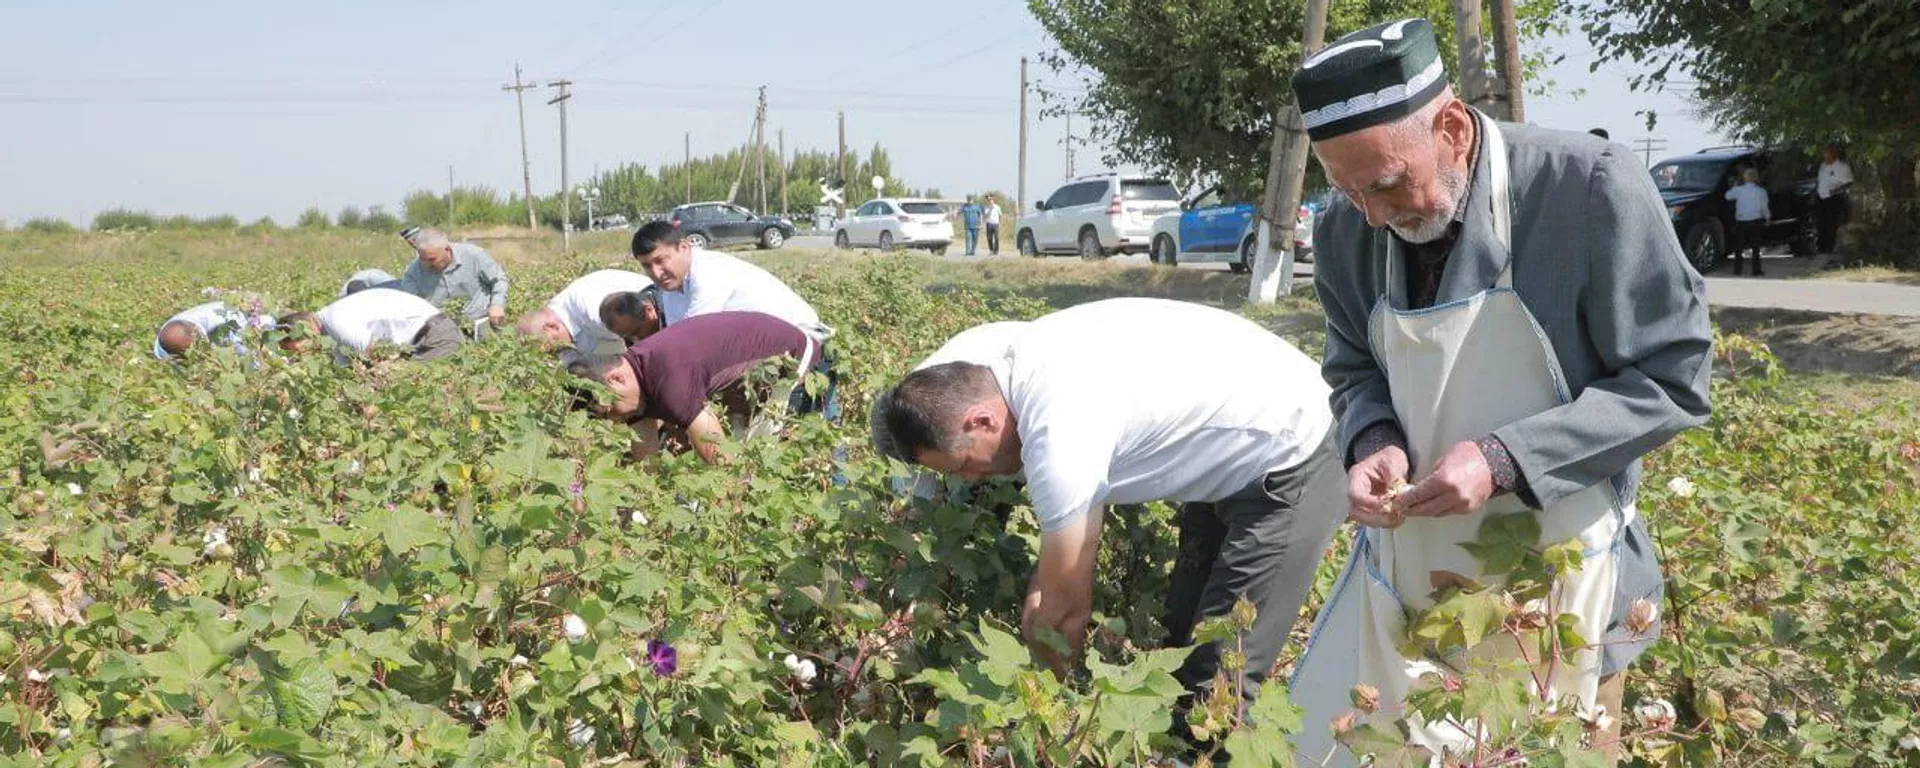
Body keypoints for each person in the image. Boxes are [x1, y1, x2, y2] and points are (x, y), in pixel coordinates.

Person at [1287, 18, 1711, 762]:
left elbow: (1672, 380)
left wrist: (1503, 459)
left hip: (1565, 577)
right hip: (1414, 582)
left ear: (1452, 129)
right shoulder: (1345, 232)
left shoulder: (1589, 191)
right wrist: (1372, 439)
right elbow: (1353, 369)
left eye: (1385, 184)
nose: (1374, 215)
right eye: (1347, 191)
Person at [870, 298, 1345, 713]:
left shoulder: (1060, 434)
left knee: (1220, 678)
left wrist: (1053, 710)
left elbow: (1063, 615)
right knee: (1179, 636)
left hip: (1294, 445)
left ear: (981, 421)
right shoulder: (974, 365)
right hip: (1234, 422)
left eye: (964, 466)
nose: (971, 480)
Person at [570, 311, 829, 464]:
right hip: (748, 380)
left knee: (770, 460)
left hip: (794, 359)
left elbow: (719, 458)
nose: (614, 419)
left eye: (609, 411)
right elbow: (645, 460)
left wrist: (728, 512)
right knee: (746, 452)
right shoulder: (634, 383)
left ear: (616, 379)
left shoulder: (669, 381)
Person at [627, 221, 826, 338]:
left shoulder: (707, 271)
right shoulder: (671, 288)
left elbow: (692, 337)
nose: (656, 272)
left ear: (684, 247)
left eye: (661, 260)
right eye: (647, 266)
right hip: (764, 347)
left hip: (801, 338)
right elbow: (676, 336)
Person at [277, 287, 464, 361]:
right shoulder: (331, 327)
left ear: (307, 329)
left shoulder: (337, 323)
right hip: (426, 335)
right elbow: (344, 365)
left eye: (298, 349)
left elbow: (375, 356)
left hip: (435, 336)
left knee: (415, 392)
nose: (303, 354)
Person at [516, 268, 654, 356]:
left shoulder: (592, 311)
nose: (554, 353)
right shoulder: (559, 315)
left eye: (551, 349)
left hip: (656, 313)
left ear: (551, 326)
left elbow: (642, 337)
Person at [397, 227, 509, 330]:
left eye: (432, 259)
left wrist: (497, 305)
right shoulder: (412, 273)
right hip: (443, 331)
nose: (426, 264)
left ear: (447, 250)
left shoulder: (474, 255)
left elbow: (498, 280)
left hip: (481, 323)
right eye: (422, 258)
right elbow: (410, 306)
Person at [153, 300, 272, 360]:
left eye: (197, 347)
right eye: (187, 353)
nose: (197, 353)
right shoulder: (165, 344)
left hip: (252, 319)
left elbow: (242, 340)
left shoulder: (222, 317)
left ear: (197, 332)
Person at [1724, 167, 1771, 276]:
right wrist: (1767, 217)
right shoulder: (1761, 191)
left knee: (1739, 247)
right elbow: (1764, 207)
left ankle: (1737, 270)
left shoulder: (1739, 190)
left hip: (1742, 221)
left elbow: (1727, 197)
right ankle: (1756, 270)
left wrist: (1734, 186)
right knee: (1755, 247)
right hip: (1755, 221)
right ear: (1755, 178)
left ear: (1745, 178)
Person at [1816, 143, 1854, 261]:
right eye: (1824, 153)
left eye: (1827, 153)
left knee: (1831, 223)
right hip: (1821, 198)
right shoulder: (1822, 166)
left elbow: (1849, 182)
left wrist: (1835, 191)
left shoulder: (1842, 167)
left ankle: (1829, 249)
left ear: (1834, 154)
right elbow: (1819, 181)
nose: (1824, 156)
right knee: (1821, 223)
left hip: (1833, 198)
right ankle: (1821, 249)